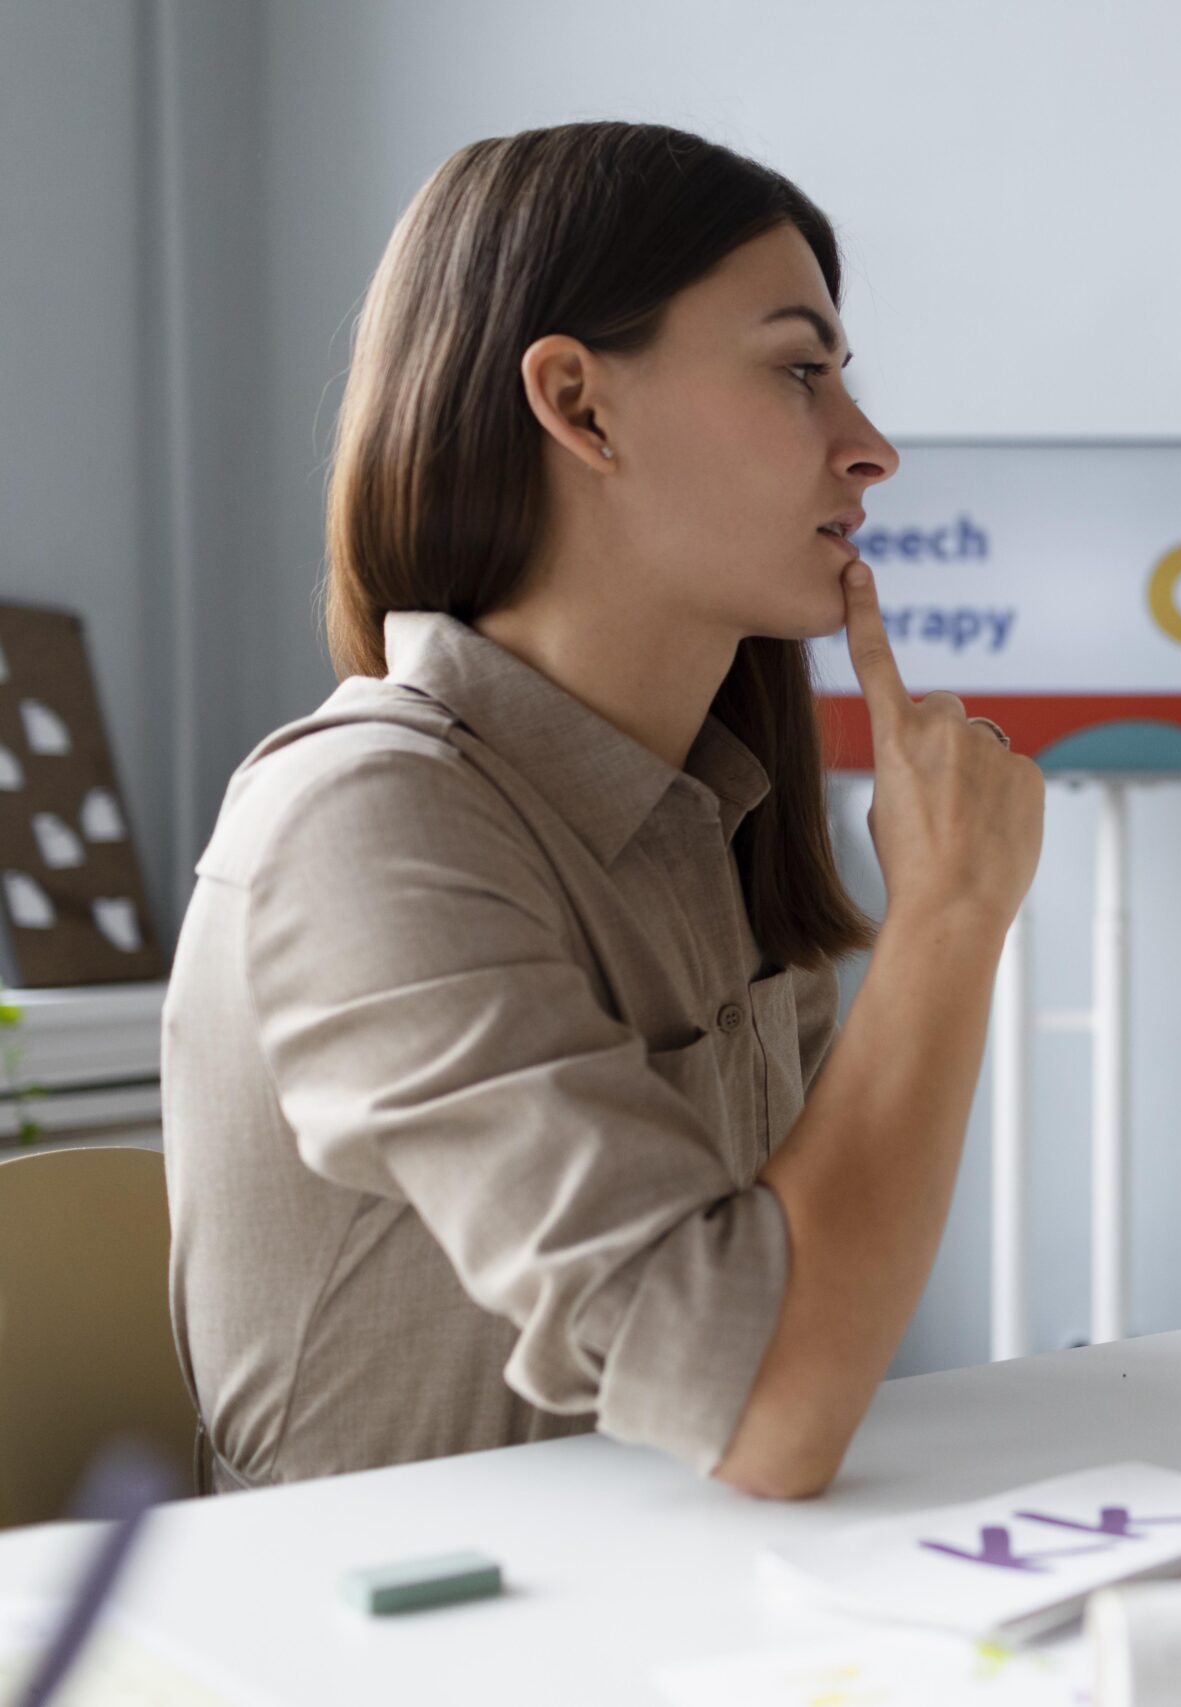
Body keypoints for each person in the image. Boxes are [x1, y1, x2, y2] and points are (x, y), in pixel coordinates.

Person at [163, 122, 1043, 1498]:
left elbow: (801, 1345)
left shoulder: (717, 814)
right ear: (579, 405)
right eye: (800, 370)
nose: (870, 450)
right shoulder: (359, 824)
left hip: (676, 1597)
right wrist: (949, 916)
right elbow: (773, 1403)